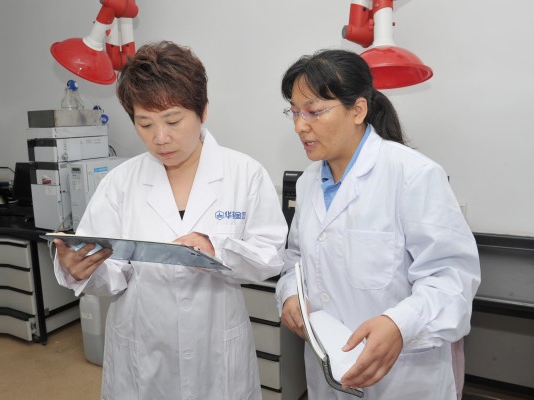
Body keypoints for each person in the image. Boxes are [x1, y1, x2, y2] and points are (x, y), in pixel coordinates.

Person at [53, 41, 288, 400]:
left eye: (173, 121)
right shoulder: (120, 182)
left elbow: (270, 256)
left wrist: (217, 250)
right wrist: (81, 269)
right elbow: (111, 273)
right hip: (142, 348)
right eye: (145, 124)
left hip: (215, 350)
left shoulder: (245, 174)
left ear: (203, 111)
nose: (160, 138)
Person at [275, 48, 481, 400]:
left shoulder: (413, 175)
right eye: (294, 111)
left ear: (358, 110)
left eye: (314, 111)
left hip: (403, 379)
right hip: (329, 370)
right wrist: (291, 295)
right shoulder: (309, 182)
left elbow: (452, 281)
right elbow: (295, 258)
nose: (299, 126)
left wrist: (400, 325)